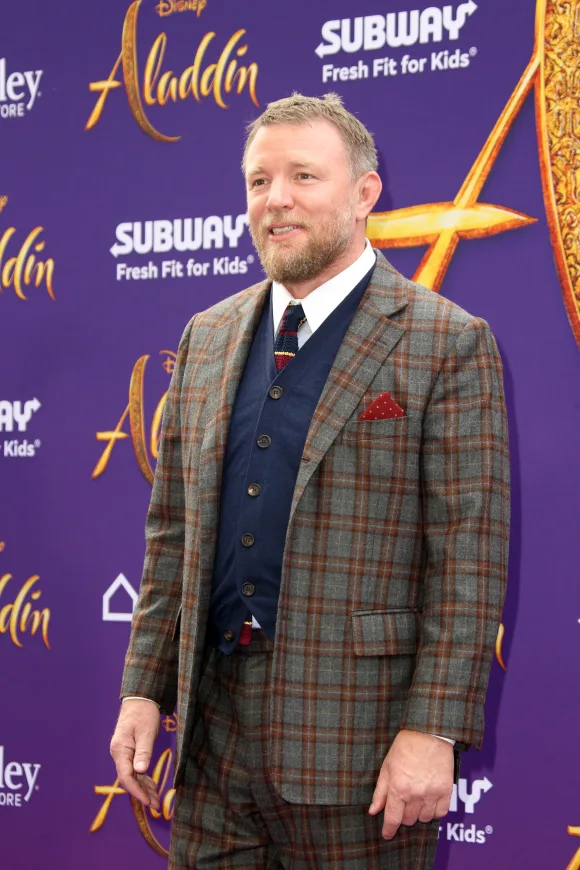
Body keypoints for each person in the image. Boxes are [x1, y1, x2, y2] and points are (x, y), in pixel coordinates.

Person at [110, 93, 510, 869]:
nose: (276, 200)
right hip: (211, 736)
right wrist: (143, 689)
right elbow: (174, 534)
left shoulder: (447, 342)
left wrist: (433, 730)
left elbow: (469, 558)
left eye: (303, 176)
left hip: (361, 743)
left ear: (364, 194)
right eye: (259, 181)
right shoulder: (206, 336)